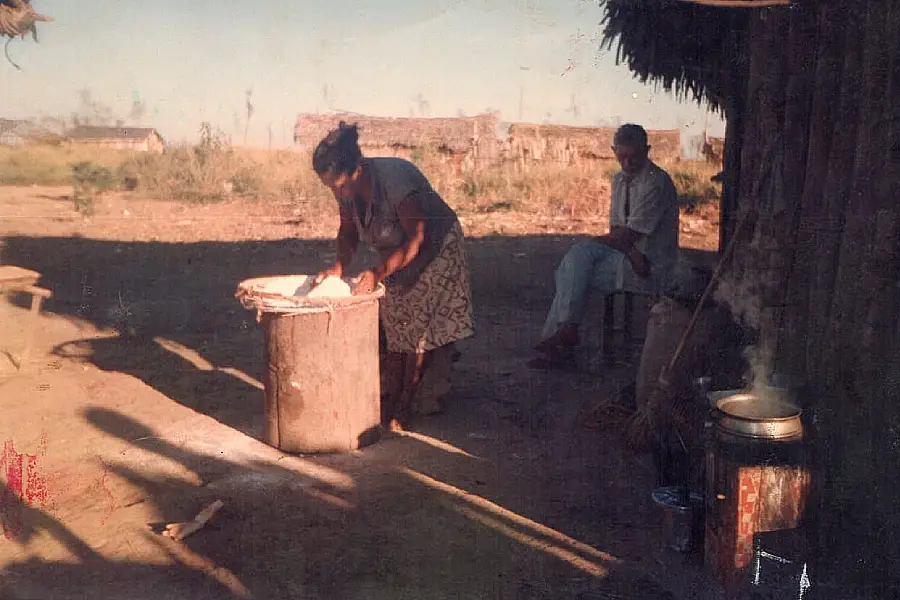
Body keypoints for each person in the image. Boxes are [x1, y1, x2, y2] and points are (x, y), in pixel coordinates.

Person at [309, 121, 475, 430]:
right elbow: (348, 231)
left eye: (339, 185)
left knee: (418, 321)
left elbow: (418, 237)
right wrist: (338, 269)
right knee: (395, 314)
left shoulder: (395, 178)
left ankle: (406, 401)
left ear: (357, 168)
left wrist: (378, 272)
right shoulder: (345, 190)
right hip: (399, 249)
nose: (337, 192)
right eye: (330, 187)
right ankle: (403, 386)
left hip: (436, 244)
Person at [530, 123, 679, 368]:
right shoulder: (619, 180)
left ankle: (562, 340)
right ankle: (565, 333)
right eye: (622, 157)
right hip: (630, 257)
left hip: (652, 264)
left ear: (647, 150)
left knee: (574, 270)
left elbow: (628, 233)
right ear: (613, 151)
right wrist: (629, 250)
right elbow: (617, 230)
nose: (627, 163)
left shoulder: (656, 182)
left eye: (634, 157)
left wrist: (613, 244)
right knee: (575, 268)